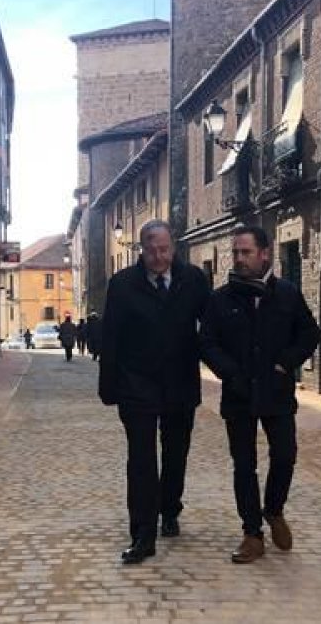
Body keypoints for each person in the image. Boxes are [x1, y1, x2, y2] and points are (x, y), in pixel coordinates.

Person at [200, 225, 321, 565]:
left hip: (276, 392)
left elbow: (309, 333)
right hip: (238, 394)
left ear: (264, 254)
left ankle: (274, 510)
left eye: (246, 252)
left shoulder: (287, 294)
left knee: (285, 455)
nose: (239, 258)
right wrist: (231, 372)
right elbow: (207, 342)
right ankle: (252, 533)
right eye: (235, 252)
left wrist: (286, 363)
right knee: (244, 465)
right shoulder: (220, 298)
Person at [99, 220, 211, 565]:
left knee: (176, 453)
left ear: (173, 248)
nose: (158, 257)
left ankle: (170, 508)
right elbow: (111, 337)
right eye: (151, 250)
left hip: (180, 383)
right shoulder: (122, 285)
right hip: (137, 385)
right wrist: (109, 386)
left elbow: (211, 328)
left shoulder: (193, 280)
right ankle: (143, 535)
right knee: (142, 461)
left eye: (163, 249)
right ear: (141, 250)